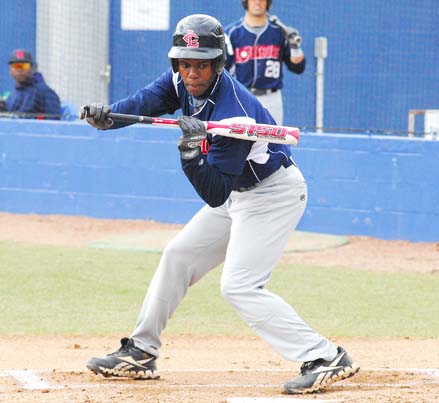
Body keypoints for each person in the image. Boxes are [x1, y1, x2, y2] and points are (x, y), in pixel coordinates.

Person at [82, 14, 359, 395]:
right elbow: (145, 102)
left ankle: (325, 356)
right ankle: (142, 352)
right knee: (178, 255)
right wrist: (108, 117)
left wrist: (191, 154)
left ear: (218, 63)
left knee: (239, 285)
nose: (192, 72)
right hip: (237, 193)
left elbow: (213, 191)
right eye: (185, 63)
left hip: (271, 195)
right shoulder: (180, 80)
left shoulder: (235, 115)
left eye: (202, 64)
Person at [224, 0, 305, 125]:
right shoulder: (231, 33)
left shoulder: (279, 32)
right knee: (240, 141)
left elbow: (298, 67)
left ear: (268, 3)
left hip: (271, 98)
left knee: (273, 141)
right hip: (242, 96)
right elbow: (223, 70)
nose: (258, 2)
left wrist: (295, 47)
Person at [3, 49, 61, 119]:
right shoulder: (11, 96)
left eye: (24, 66)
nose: (20, 69)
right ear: (10, 71)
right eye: (16, 66)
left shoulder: (45, 92)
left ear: (32, 68)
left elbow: (55, 123)